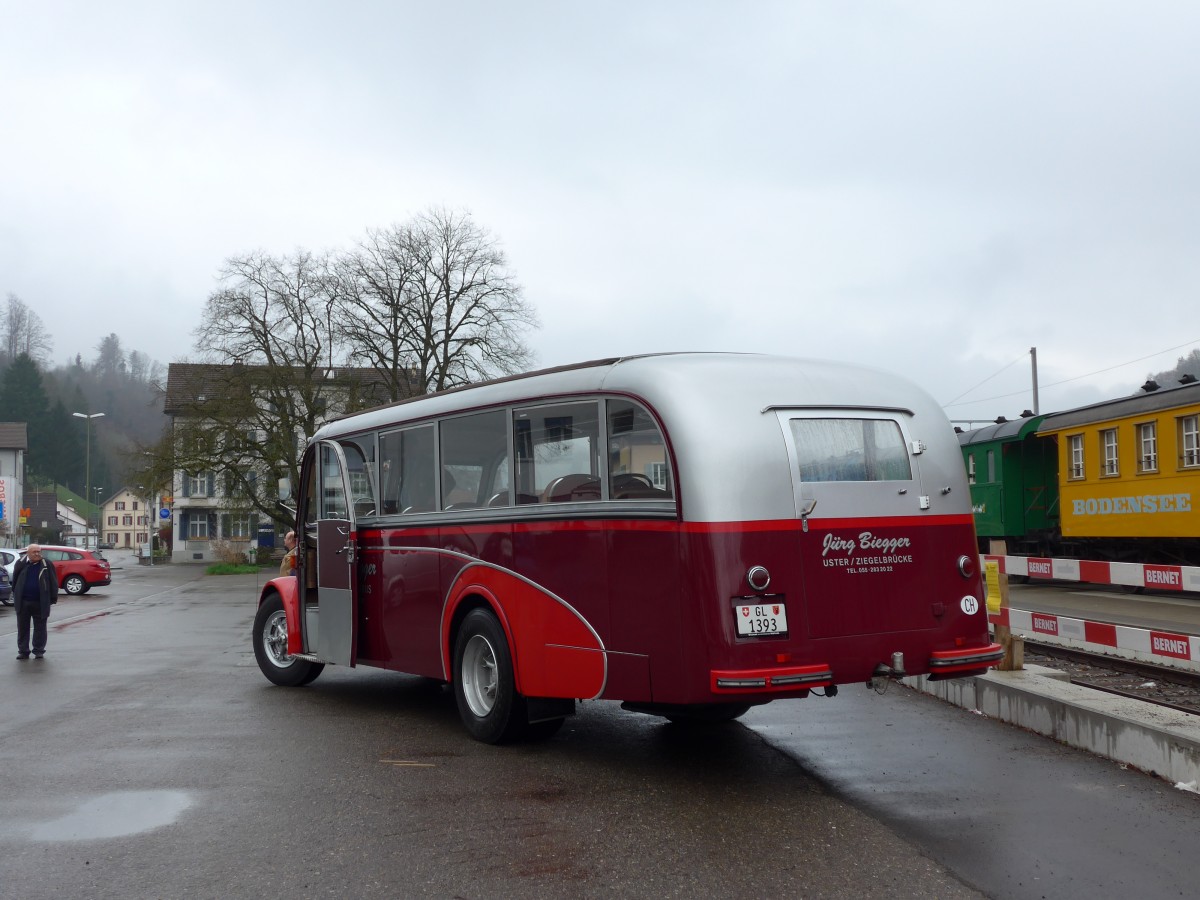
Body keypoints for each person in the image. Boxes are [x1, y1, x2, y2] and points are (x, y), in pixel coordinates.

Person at [14, 544, 59, 660]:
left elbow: (53, 581)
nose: (37, 554)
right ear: (28, 553)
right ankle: (23, 651)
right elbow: (15, 580)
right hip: (23, 602)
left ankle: (38, 650)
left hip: (40, 602)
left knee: (40, 628)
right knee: (22, 628)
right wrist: (16, 595)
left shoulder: (46, 564)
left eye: (39, 551)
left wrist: (53, 598)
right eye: (34, 552)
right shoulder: (21, 563)